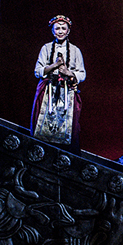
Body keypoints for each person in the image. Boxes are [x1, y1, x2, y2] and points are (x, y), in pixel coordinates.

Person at [32, 14, 85, 146]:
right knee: (43, 127)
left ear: (68, 31)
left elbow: (82, 73)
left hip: (67, 91)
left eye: (63, 28)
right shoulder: (46, 48)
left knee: (67, 129)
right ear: (52, 30)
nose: (60, 31)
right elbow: (37, 71)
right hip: (48, 91)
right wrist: (54, 66)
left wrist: (68, 73)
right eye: (57, 28)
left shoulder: (75, 50)